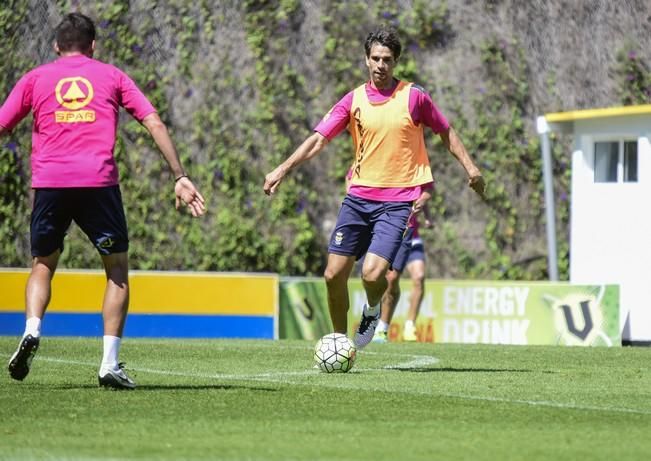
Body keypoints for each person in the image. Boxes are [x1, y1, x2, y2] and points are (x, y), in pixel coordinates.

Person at [1, 13, 206, 389]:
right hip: (98, 184)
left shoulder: (35, 78)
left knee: (43, 264)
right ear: (92, 46)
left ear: (56, 46)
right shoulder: (112, 76)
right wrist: (180, 175)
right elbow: (154, 122)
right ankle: (108, 363)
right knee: (116, 271)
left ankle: (32, 329)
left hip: (51, 183)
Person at [263, 25, 485, 350]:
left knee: (371, 274)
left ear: (395, 63)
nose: (381, 65)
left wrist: (471, 168)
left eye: (388, 60)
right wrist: (282, 168)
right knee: (332, 275)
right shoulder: (352, 100)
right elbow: (318, 141)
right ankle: (341, 342)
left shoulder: (414, 97)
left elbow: (446, 131)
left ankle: (371, 307)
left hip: (397, 203)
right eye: (376, 58)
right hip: (357, 200)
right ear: (366, 60)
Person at [373, 201, 433, 343]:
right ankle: (382, 326)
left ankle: (409, 325)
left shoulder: (421, 178)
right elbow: (351, 185)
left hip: (412, 237)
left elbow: (424, 193)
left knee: (419, 276)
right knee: (391, 278)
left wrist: (428, 216)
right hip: (392, 236)